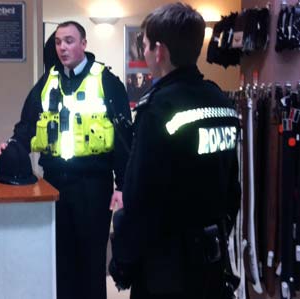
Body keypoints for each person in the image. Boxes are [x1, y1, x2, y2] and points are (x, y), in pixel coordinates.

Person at [108, 3, 241, 299]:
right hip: (211, 258)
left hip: (165, 267)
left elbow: (139, 195)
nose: (143, 53)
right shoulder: (222, 102)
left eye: (144, 45)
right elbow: (233, 189)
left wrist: (123, 262)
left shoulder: (157, 108)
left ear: (159, 51)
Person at [0, 21, 132, 299]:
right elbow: (27, 125)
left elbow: (123, 139)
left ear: (83, 43)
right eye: (58, 42)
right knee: (60, 257)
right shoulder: (48, 81)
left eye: (69, 41)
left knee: (91, 258)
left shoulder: (106, 81)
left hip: (93, 184)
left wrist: (122, 186)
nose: (63, 47)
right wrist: (11, 146)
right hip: (55, 184)